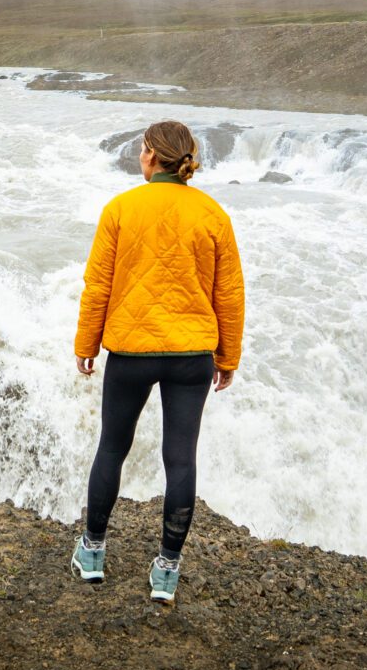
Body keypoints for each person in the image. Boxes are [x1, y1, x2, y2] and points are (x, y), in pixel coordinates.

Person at [70, 119, 245, 603]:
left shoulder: (121, 208)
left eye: (143, 150)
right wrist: (227, 355)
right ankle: (167, 570)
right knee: (180, 457)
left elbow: (98, 286)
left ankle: (93, 552)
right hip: (192, 356)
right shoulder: (212, 214)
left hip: (131, 351)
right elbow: (228, 294)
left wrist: (86, 344)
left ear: (149, 156)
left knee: (112, 448)